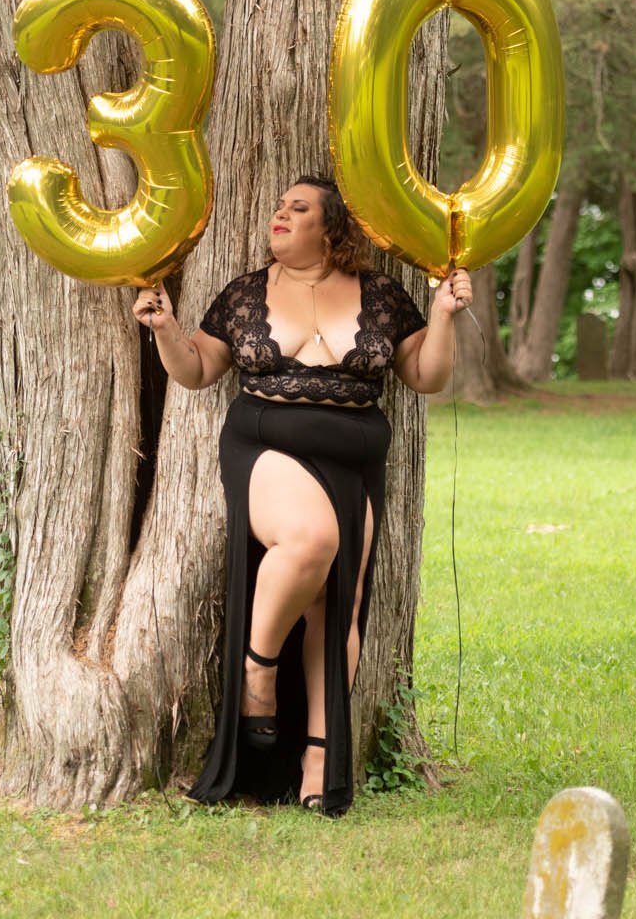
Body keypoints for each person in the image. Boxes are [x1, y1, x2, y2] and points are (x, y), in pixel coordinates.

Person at [132, 175, 471, 816]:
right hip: (267, 445)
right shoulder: (246, 294)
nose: (279, 215)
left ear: (332, 227)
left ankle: (320, 760)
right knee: (313, 541)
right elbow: (199, 371)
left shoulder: (380, 296)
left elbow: (426, 375)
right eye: (278, 205)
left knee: (336, 608)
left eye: (298, 208)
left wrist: (446, 315)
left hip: (354, 459)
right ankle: (257, 670)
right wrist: (164, 328)